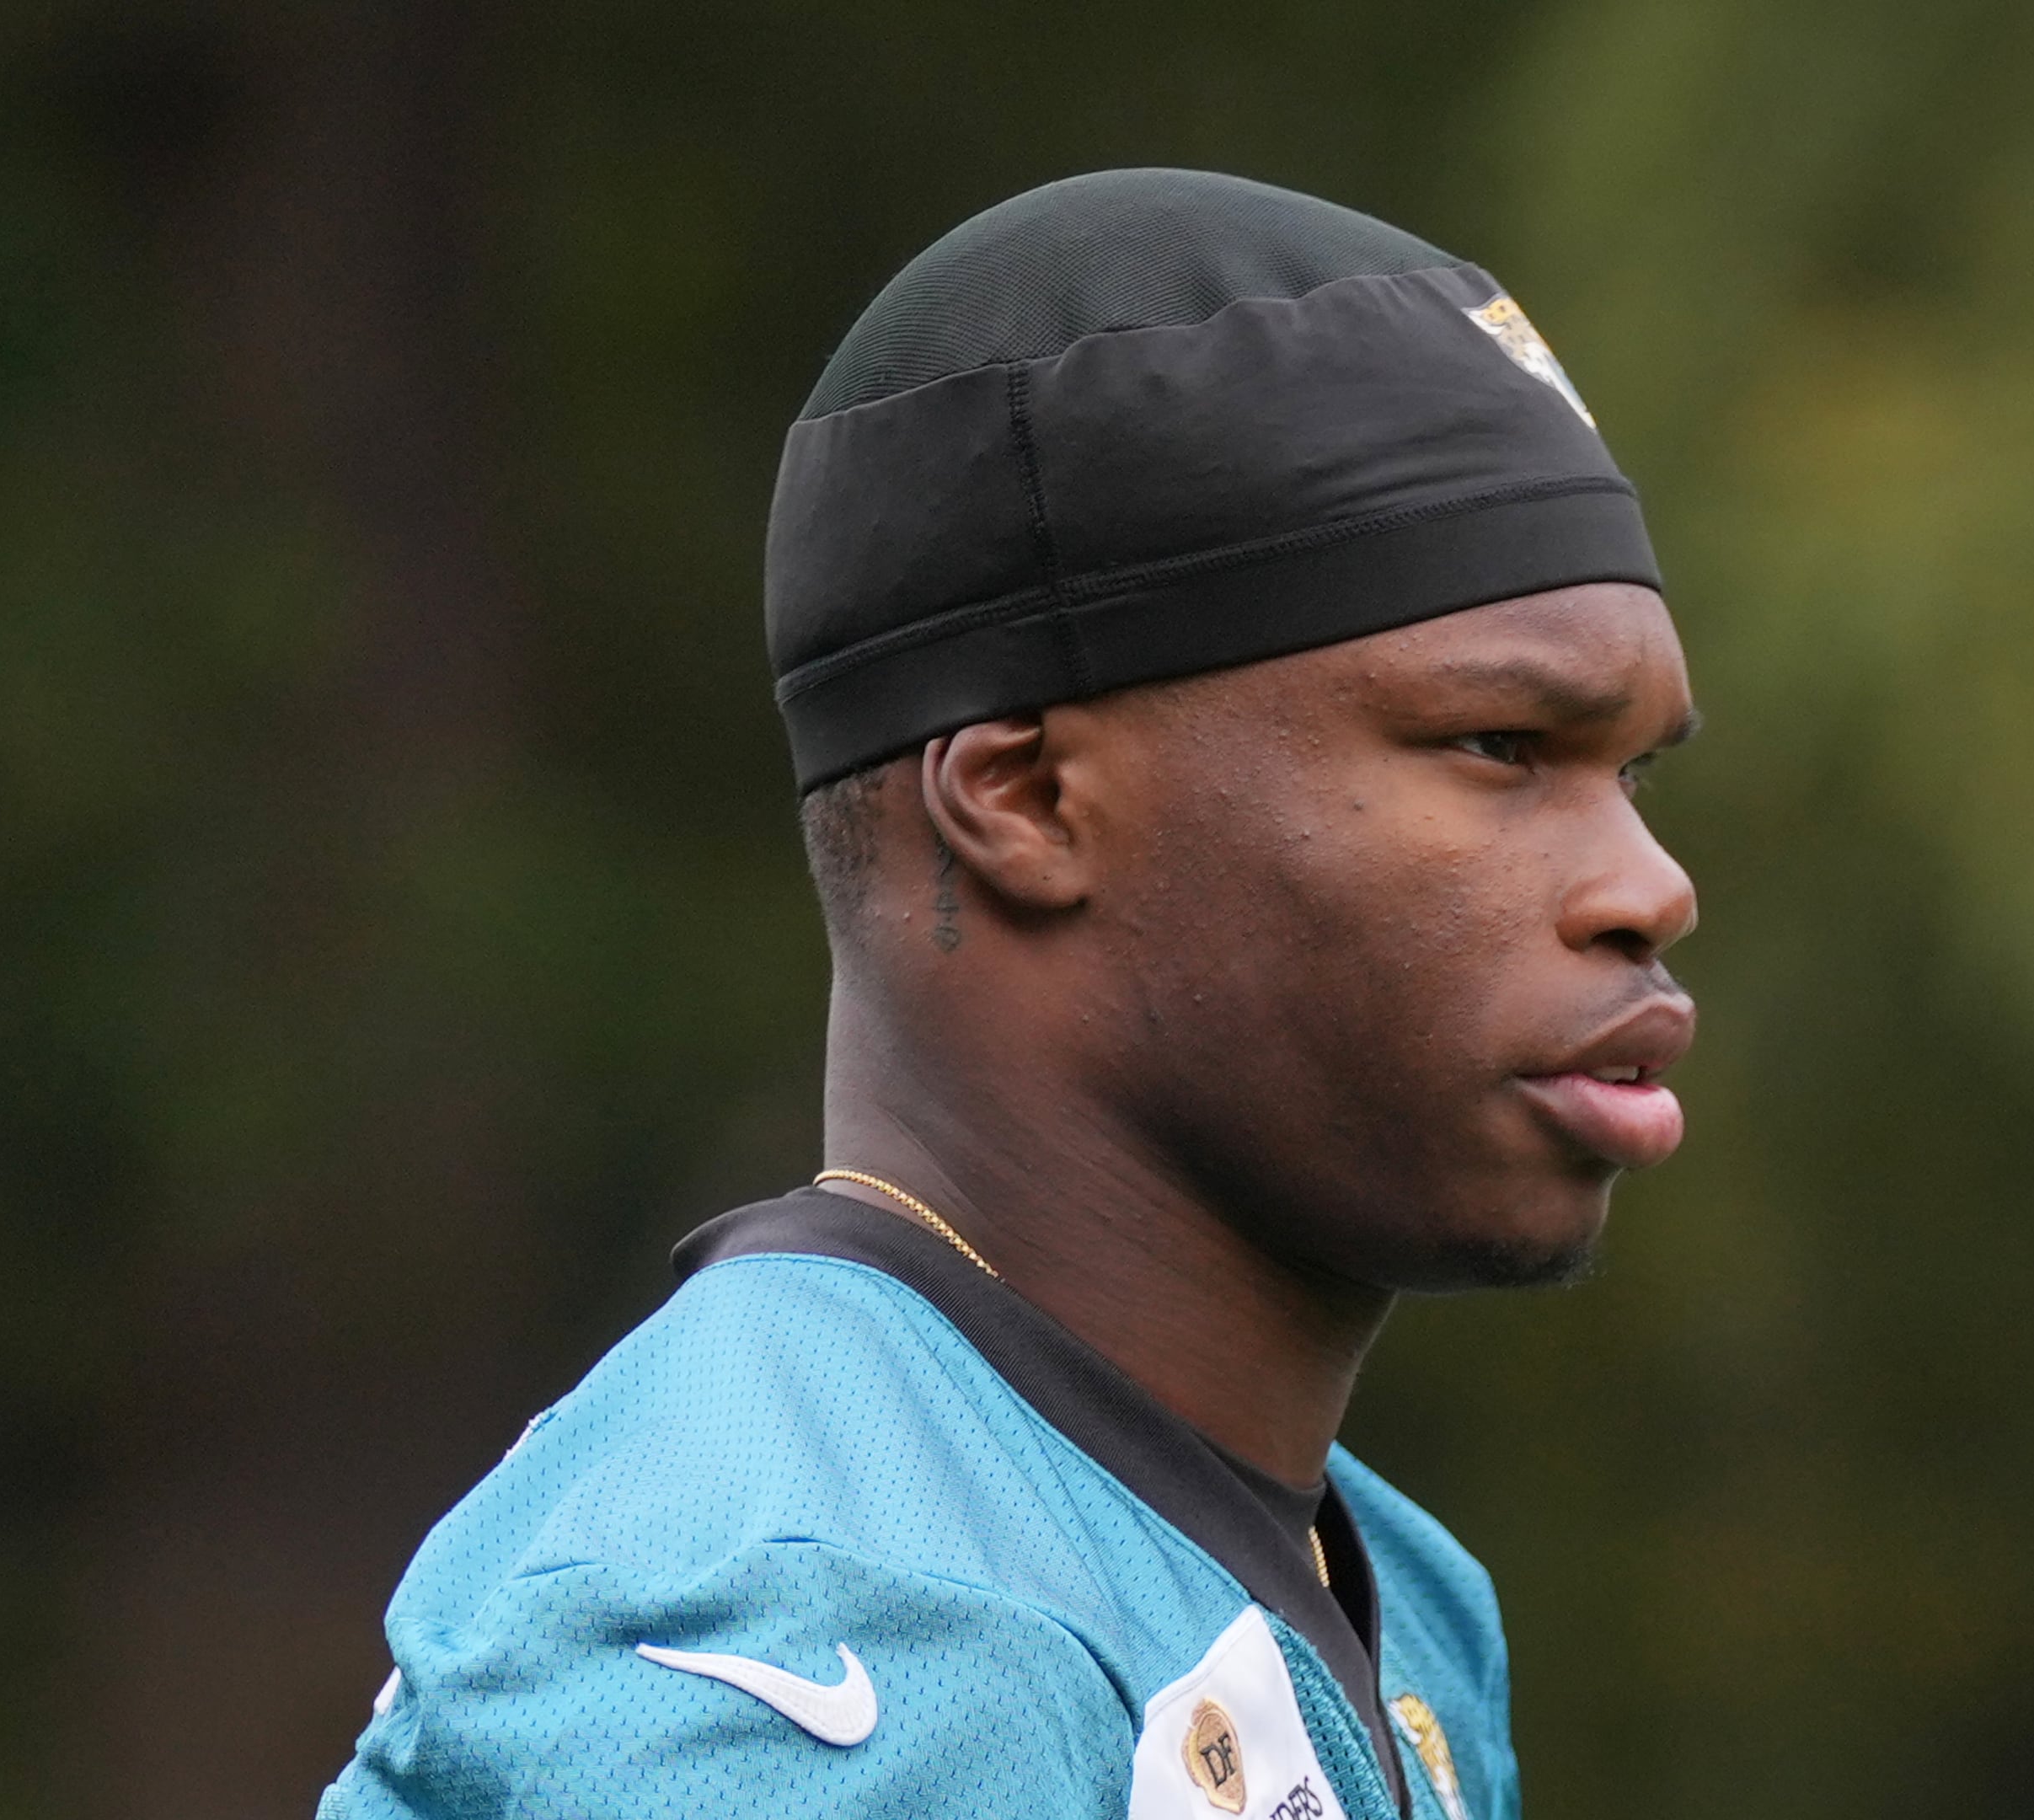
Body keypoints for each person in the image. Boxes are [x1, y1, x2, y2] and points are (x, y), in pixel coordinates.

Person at [318, 167, 1697, 1820]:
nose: (1646, 886)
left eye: (1633, 775)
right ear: (1031, 799)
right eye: (1501, 748)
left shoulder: (1387, 1591)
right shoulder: (798, 1638)